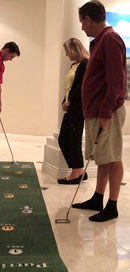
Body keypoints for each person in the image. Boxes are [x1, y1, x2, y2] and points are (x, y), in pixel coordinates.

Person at [72, 0, 127, 222]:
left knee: (112, 158)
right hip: (97, 111)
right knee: (104, 158)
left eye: (82, 23)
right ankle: (97, 197)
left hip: (107, 112)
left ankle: (112, 206)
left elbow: (116, 81)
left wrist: (105, 112)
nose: (82, 28)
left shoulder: (110, 39)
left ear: (88, 18)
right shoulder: (100, 41)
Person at [58, 38, 89, 184]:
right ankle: (79, 170)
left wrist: (69, 101)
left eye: (67, 51)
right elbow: (70, 86)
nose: (66, 54)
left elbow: (82, 86)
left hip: (77, 108)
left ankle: (76, 173)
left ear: (74, 49)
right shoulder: (73, 65)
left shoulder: (85, 64)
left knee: (72, 140)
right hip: (70, 107)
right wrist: (64, 101)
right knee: (63, 139)